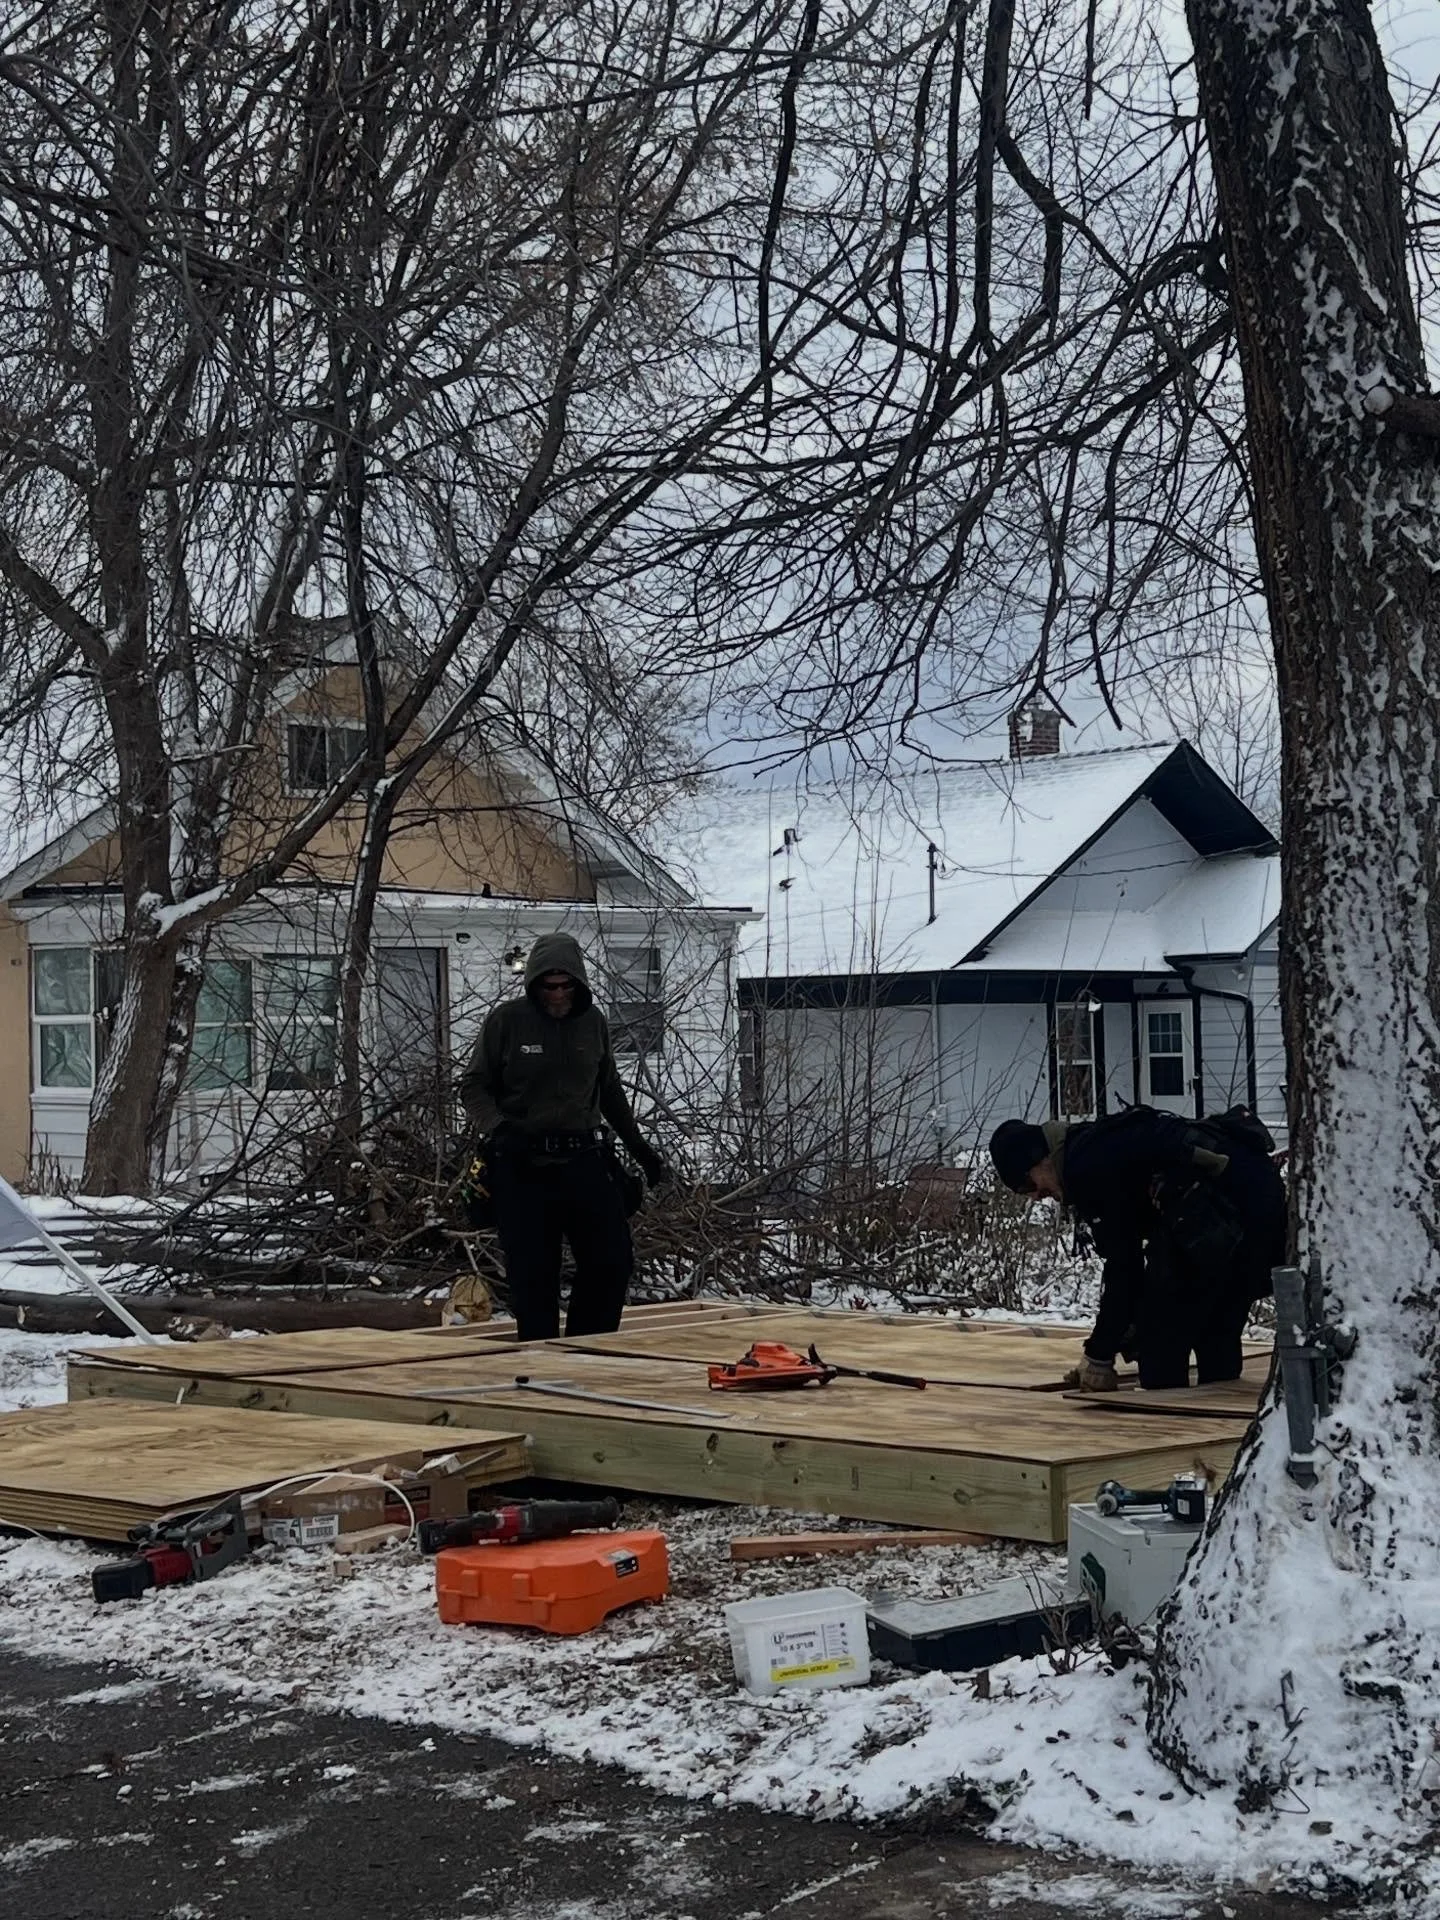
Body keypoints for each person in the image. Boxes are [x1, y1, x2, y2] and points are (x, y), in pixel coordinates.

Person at [460, 933, 672, 1342]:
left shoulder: (593, 1024)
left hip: (583, 1157)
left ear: (579, 983)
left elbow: (608, 1088)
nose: (557, 994)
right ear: (534, 983)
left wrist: (640, 1148)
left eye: (565, 985)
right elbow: (473, 1085)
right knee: (533, 1274)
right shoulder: (507, 1021)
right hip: (521, 1162)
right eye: (548, 985)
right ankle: (539, 1359)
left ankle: (587, 1349)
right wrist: (499, 1129)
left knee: (611, 1262)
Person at [988, 1105, 1286, 1391]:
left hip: (1230, 1226)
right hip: (1259, 1220)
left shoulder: (1087, 1168)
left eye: (1027, 1186)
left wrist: (1099, 1357)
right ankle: (1219, 1408)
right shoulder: (1101, 1143)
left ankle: (1171, 1422)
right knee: (1214, 1327)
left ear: (1041, 1160)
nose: (1035, 1197)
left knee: (1159, 1339)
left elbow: (1125, 1269)